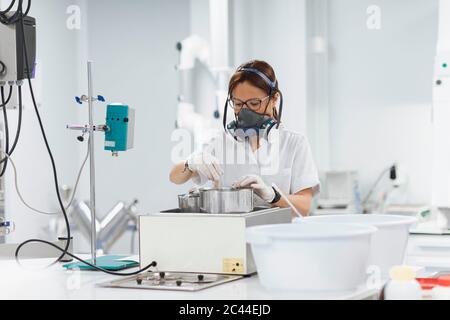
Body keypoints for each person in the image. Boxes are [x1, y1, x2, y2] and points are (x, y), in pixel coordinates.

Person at [170, 60, 320, 216]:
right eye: (237, 103)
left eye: (254, 103)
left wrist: (273, 196)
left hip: (277, 236)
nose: (245, 111)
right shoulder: (221, 142)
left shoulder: (294, 143)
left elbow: (304, 206)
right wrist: (191, 163)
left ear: (274, 99)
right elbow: (175, 177)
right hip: (233, 237)